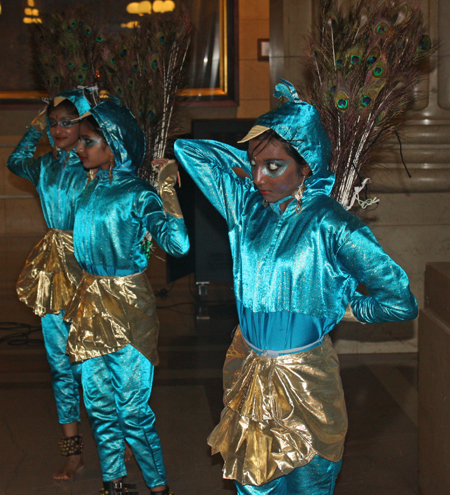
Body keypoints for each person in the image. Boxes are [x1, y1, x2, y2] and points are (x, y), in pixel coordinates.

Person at [174, 79, 418, 495]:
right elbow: (188, 151)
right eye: (254, 166)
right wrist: (249, 155)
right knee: (253, 484)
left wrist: (347, 307)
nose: (258, 178)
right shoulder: (245, 206)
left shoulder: (331, 223)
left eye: (274, 166)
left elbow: (400, 301)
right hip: (248, 369)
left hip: (306, 380)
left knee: (309, 484)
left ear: (306, 165)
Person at [63, 99, 189, 495]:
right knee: (99, 406)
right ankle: (113, 482)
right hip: (88, 305)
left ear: (113, 145)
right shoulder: (87, 189)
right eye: (80, 141)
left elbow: (179, 244)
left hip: (129, 307)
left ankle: (158, 487)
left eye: (88, 141)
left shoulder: (139, 195)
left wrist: (166, 186)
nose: (79, 148)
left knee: (133, 411)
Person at [6, 90, 91, 480]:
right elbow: (14, 161)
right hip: (53, 271)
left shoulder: (96, 165)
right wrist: (35, 124)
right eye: (53, 123)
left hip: (91, 269)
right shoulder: (43, 166)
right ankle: (73, 454)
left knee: (97, 362)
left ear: (83, 124)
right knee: (60, 367)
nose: (58, 130)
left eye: (66, 122)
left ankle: (118, 438)